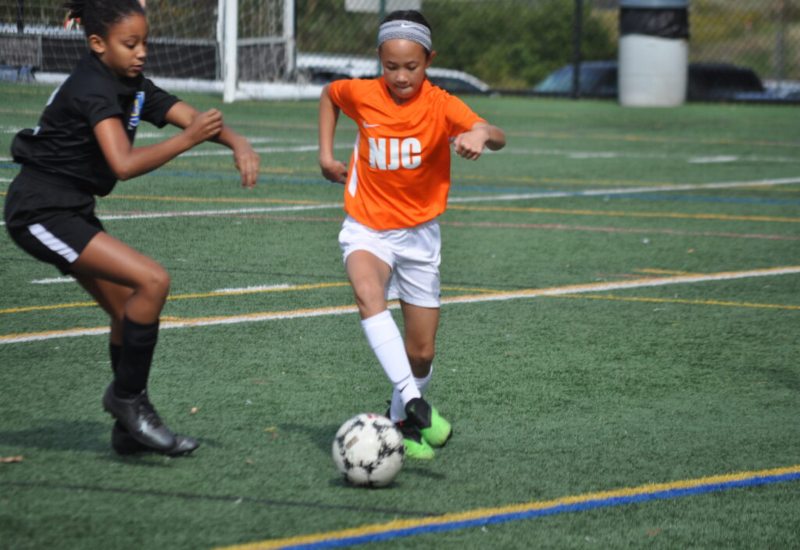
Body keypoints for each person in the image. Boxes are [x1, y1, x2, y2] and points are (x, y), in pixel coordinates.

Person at [4, 0, 260, 457]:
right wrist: (188, 140)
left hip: (71, 209)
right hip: (39, 211)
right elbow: (122, 164)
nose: (141, 52)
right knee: (153, 280)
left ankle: (127, 427)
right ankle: (127, 400)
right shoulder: (93, 87)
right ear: (98, 44)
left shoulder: (131, 82)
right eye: (130, 44)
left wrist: (237, 142)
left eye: (145, 42)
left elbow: (191, 116)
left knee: (128, 311)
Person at [318, 10, 506, 459]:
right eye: (391, 67)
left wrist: (479, 136)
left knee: (421, 351)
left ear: (429, 60)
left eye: (412, 67)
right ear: (379, 60)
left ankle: (401, 414)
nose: (401, 77)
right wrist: (325, 156)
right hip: (367, 228)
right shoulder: (362, 94)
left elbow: (496, 133)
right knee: (368, 293)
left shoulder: (441, 104)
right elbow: (330, 95)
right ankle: (417, 404)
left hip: (419, 237)